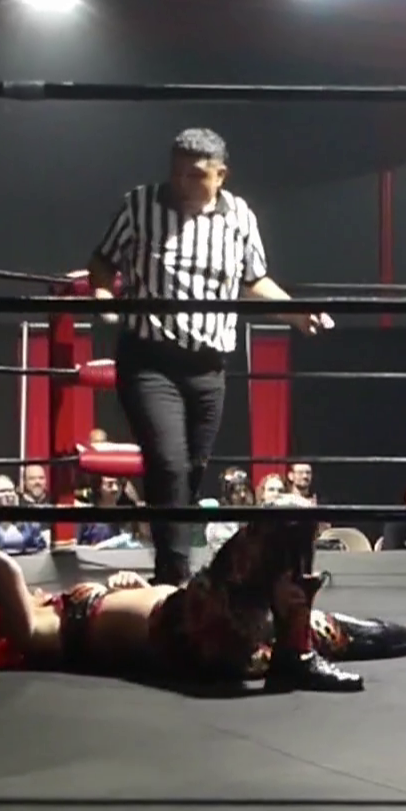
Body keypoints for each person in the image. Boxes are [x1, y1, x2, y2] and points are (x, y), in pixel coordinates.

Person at [82, 128, 332, 586]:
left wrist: (297, 314)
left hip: (208, 365)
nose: (182, 182)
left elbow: (253, 280)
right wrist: (102, 295)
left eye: (195, 174)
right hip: (149, 359)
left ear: (221, 175)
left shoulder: (239, 216)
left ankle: (173, 563)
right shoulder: (140, 205)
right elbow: (102, 261)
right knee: (168, 463)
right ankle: (172, 577)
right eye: (176, 171)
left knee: (191, 469)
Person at [0, 501, 406, 692]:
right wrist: (17, 592)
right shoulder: (45, 634)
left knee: (329, 624)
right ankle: (295, 636)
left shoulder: (83, 611)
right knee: (280, 528)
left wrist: (126, 584)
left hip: (207, 630)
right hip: (185, 631)